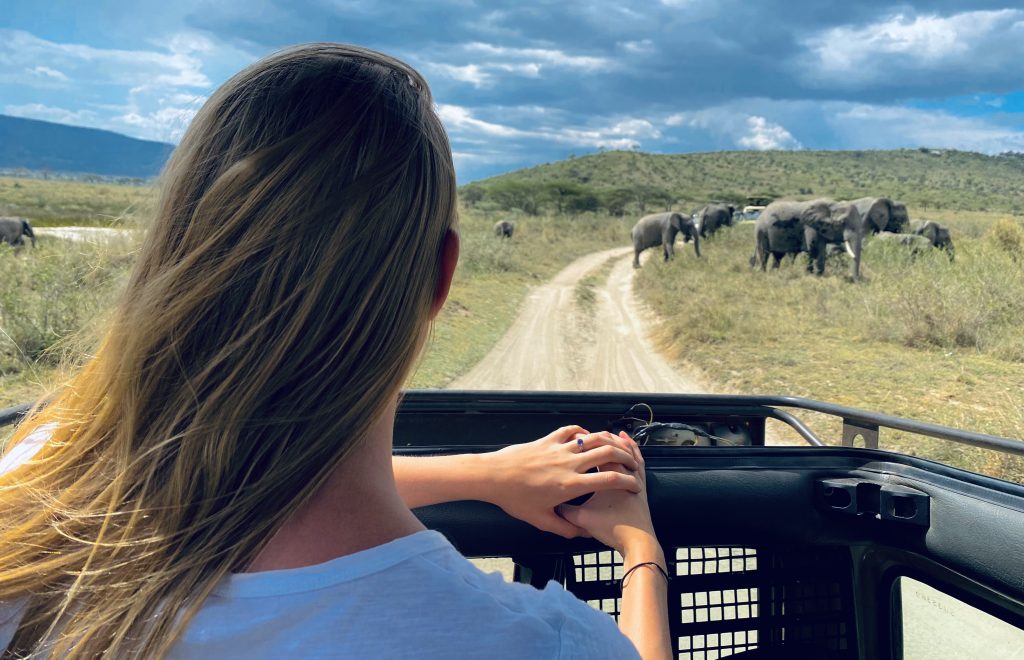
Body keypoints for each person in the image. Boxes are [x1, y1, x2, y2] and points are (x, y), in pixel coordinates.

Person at [0, 44, 671, 658]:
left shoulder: (38, 477)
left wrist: (484, 475)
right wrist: (641, 550)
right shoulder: (535, 643)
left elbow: (239, 471)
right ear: (439, 278)